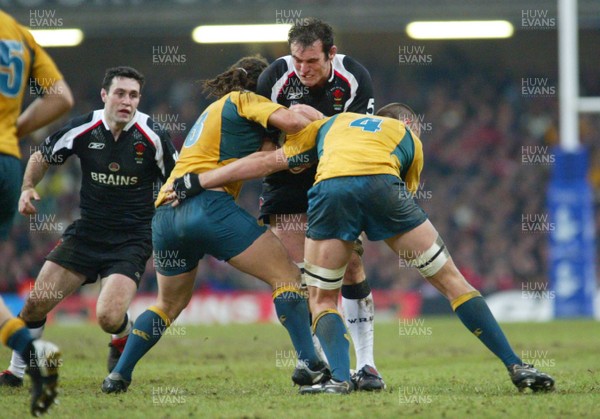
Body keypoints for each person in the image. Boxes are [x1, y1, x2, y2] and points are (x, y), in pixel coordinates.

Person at [170, 103, 556, 395]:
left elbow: (266, 162)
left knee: (322, 298)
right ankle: (517, 365)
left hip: (332, 189)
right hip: (385, 188)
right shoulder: (408, 139)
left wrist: (197, 182)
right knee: (454, 282)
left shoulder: (329, 124)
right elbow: (399, 195)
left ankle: (339, 379)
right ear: (410, 124)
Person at [101, 56, 326, 394]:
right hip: (207, 206)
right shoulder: (245, 100)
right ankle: (310, 362)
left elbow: (265, 159)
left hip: (165, 214)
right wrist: (320, 121)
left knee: (167, 304)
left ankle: (119, 374)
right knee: (288, 277)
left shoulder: (215, 111)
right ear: (260, 85)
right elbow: (293, 123)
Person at [0, 66, 177, 388]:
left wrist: (176, 212)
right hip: (86, 234)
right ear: (105, 95)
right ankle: (15, 372)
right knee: (36, 303)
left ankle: (121, 335)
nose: (126, 101)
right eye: (120, 93)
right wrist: (27, 187)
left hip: (131, 239)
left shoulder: (153, 135)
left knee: (108, 317)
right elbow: (43, 154)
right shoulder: (85, 127)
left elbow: (177, 180)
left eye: (133, 95)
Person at [257, 17, 384, 391]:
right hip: (285, 182)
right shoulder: (274, 79)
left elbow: (359, 143)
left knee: (351, 267)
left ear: (331, 53)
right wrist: (292, 155)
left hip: (336, 177)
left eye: (311, 61)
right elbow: (263, 147)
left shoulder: (355, 78)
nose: (303, 69)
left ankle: (368, 365)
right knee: (299, 275)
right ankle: (322, 364)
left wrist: (320, 125)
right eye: (297, 59)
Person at [0, 10, 73, 415]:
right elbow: (60, 98)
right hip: (8, 163)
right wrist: (11, 132)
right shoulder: (19, 34)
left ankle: (30, 350)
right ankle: (33, 353)